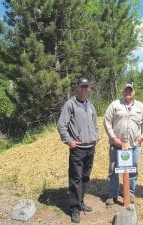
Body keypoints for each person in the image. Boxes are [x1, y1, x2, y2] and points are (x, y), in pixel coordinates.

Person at [57, 77, 99, 223]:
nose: (84, 89)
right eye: (82, 86)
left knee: (85, 177)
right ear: (77, 87)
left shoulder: (90, 105)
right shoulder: (71, 104)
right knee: (75, 178)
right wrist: (69, 141)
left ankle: (80, 202)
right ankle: (74, 208)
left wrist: (96, 136)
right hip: (78, 149)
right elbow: (62, 125)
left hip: (90, 148)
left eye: (86, 86)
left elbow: (95, 123)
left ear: (89, 88)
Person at [104, 83, 143, 205]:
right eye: (126, 90)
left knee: (133, 169)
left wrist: (142, 137)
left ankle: (129, 193)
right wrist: (113, 137)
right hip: (116, 145)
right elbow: (107, 121)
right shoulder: (115, 105)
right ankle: (112, 195)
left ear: (134, 92)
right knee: (114, 170)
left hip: (134, 146)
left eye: (130, 90)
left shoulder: (140, 106)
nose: (128, 92)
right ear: (122, 92)